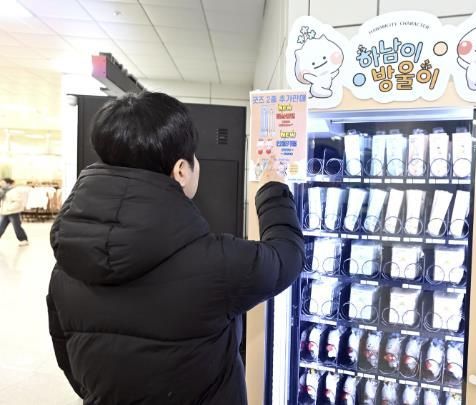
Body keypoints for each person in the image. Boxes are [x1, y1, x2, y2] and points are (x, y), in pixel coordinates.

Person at [46, 92, 304, 404]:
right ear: (181, 170)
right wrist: (273, 188)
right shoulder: (218, 265)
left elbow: (70, 361)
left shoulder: (66, 266)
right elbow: (287, 257)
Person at [0, 178, 29, 246]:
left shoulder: (14, 191)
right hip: (5, 212)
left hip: (13, 213)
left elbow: (18, 202)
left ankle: (24, 240)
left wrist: (9, 208)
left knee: (17, 227)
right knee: (1, 226)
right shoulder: (3, 191)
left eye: (3, 183)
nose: (1, 184)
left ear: (8, 183)